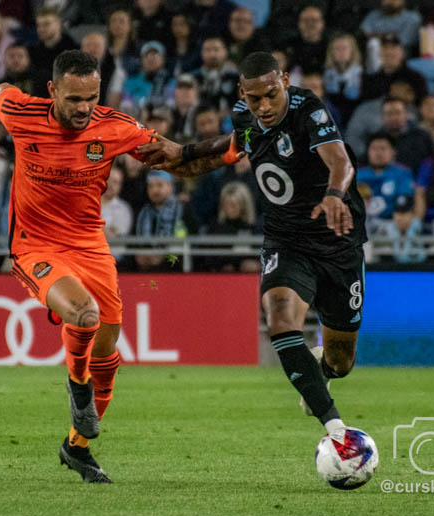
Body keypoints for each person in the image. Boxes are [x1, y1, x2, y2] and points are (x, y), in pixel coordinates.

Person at [138, 52, 367, 442]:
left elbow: (340, 162)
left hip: (337, 243)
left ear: (285, 82)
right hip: (286, 240)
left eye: (271, 95)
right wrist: (185, 153)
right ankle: (336, 431)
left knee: (341, 361)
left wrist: (333, 195)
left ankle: (321, 372)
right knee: (280, 316)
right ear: (243, 91)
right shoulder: (245, 114)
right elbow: (235, 146)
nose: (263, 106)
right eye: (254, 97)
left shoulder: (307, 108)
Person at [0, 50, 156, 483]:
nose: (83, 107)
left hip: (90, 244)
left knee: (108, 354)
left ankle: (77, 447)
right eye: (74, 98)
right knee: (84, 315)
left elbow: (164, 149)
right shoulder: (22, 111)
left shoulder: (113, 125)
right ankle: (78, 388)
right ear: (53, 90)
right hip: (34, 245)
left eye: (90, 97)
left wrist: (225, 152)